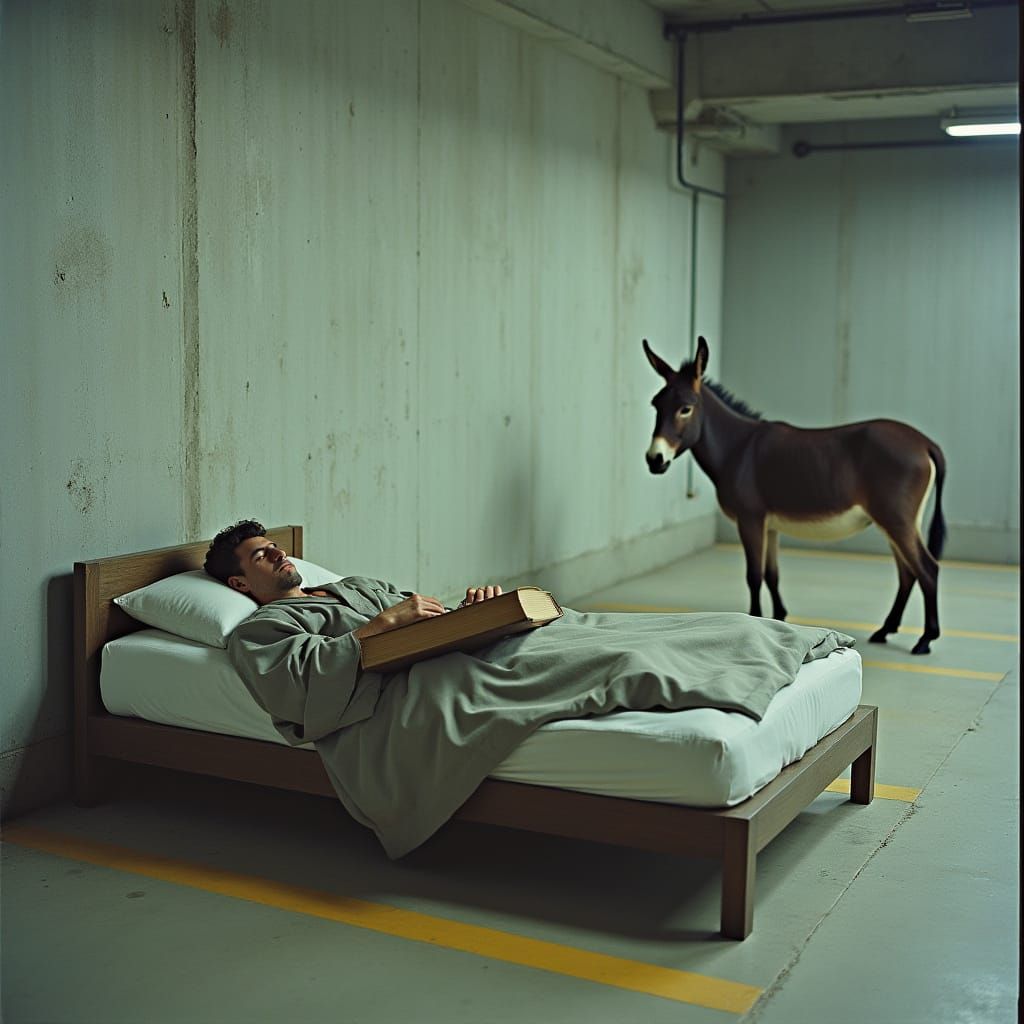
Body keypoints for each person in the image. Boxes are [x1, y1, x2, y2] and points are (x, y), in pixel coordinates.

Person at [205, 519, 855, 860]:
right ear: (238, 585)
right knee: (620, 659)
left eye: (274, 547)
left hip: (459, 647)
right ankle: (724, 674)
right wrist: (386, 626)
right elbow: (301, 687)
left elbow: (424, 617)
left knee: (620, 633)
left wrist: (473, 612)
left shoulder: (351, 586)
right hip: (424, 684)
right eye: (260, 556)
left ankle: (752, 642)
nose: (277, 555)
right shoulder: (261, 628)